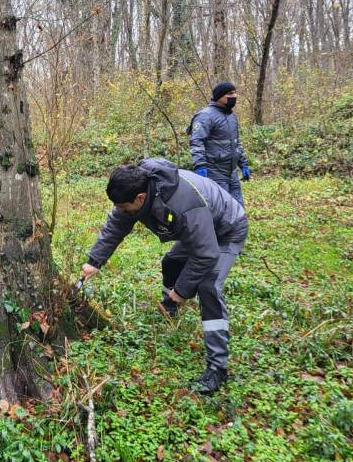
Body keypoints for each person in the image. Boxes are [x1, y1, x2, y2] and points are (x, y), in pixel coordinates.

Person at [81, 158, 248, 394]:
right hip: (200, 230)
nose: (121, 211)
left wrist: (182, 290)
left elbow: (206, 254)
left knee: (208, 287)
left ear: (140, 198)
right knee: (171, 262)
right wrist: (94, 261)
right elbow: (116, 225)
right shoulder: (135, 189)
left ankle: (217, 368)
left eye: (123, 207)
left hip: (227, 229)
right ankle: (169, 307)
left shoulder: (183, 204)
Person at [188, 82, 251, 205]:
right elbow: (197, 142)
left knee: (238, 209)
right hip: (214, 173)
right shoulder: (205, 116)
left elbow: (236, 143)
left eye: (235, 93)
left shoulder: (232, 117)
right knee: (221, 209)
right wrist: (200, 166)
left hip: (232, 173)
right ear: (220, 96)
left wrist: (243, 164)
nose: (234, 96)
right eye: (230, 93)